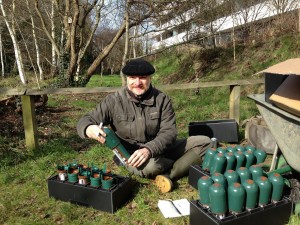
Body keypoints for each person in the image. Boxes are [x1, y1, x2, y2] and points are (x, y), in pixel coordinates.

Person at [76, 58, 212, 193]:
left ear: (150, 78)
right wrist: (89, 128)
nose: (137, 83)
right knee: (152, 167)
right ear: (127, 79)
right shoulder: (113, 100)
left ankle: (168, 173)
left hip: (159, 147)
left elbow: (169, 132)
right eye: (132, 78)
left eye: (142, 78)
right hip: (130, 155)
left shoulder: (162, 99)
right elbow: (85, 120)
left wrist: (148, 149)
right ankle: (176, 167)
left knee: (206, 142)